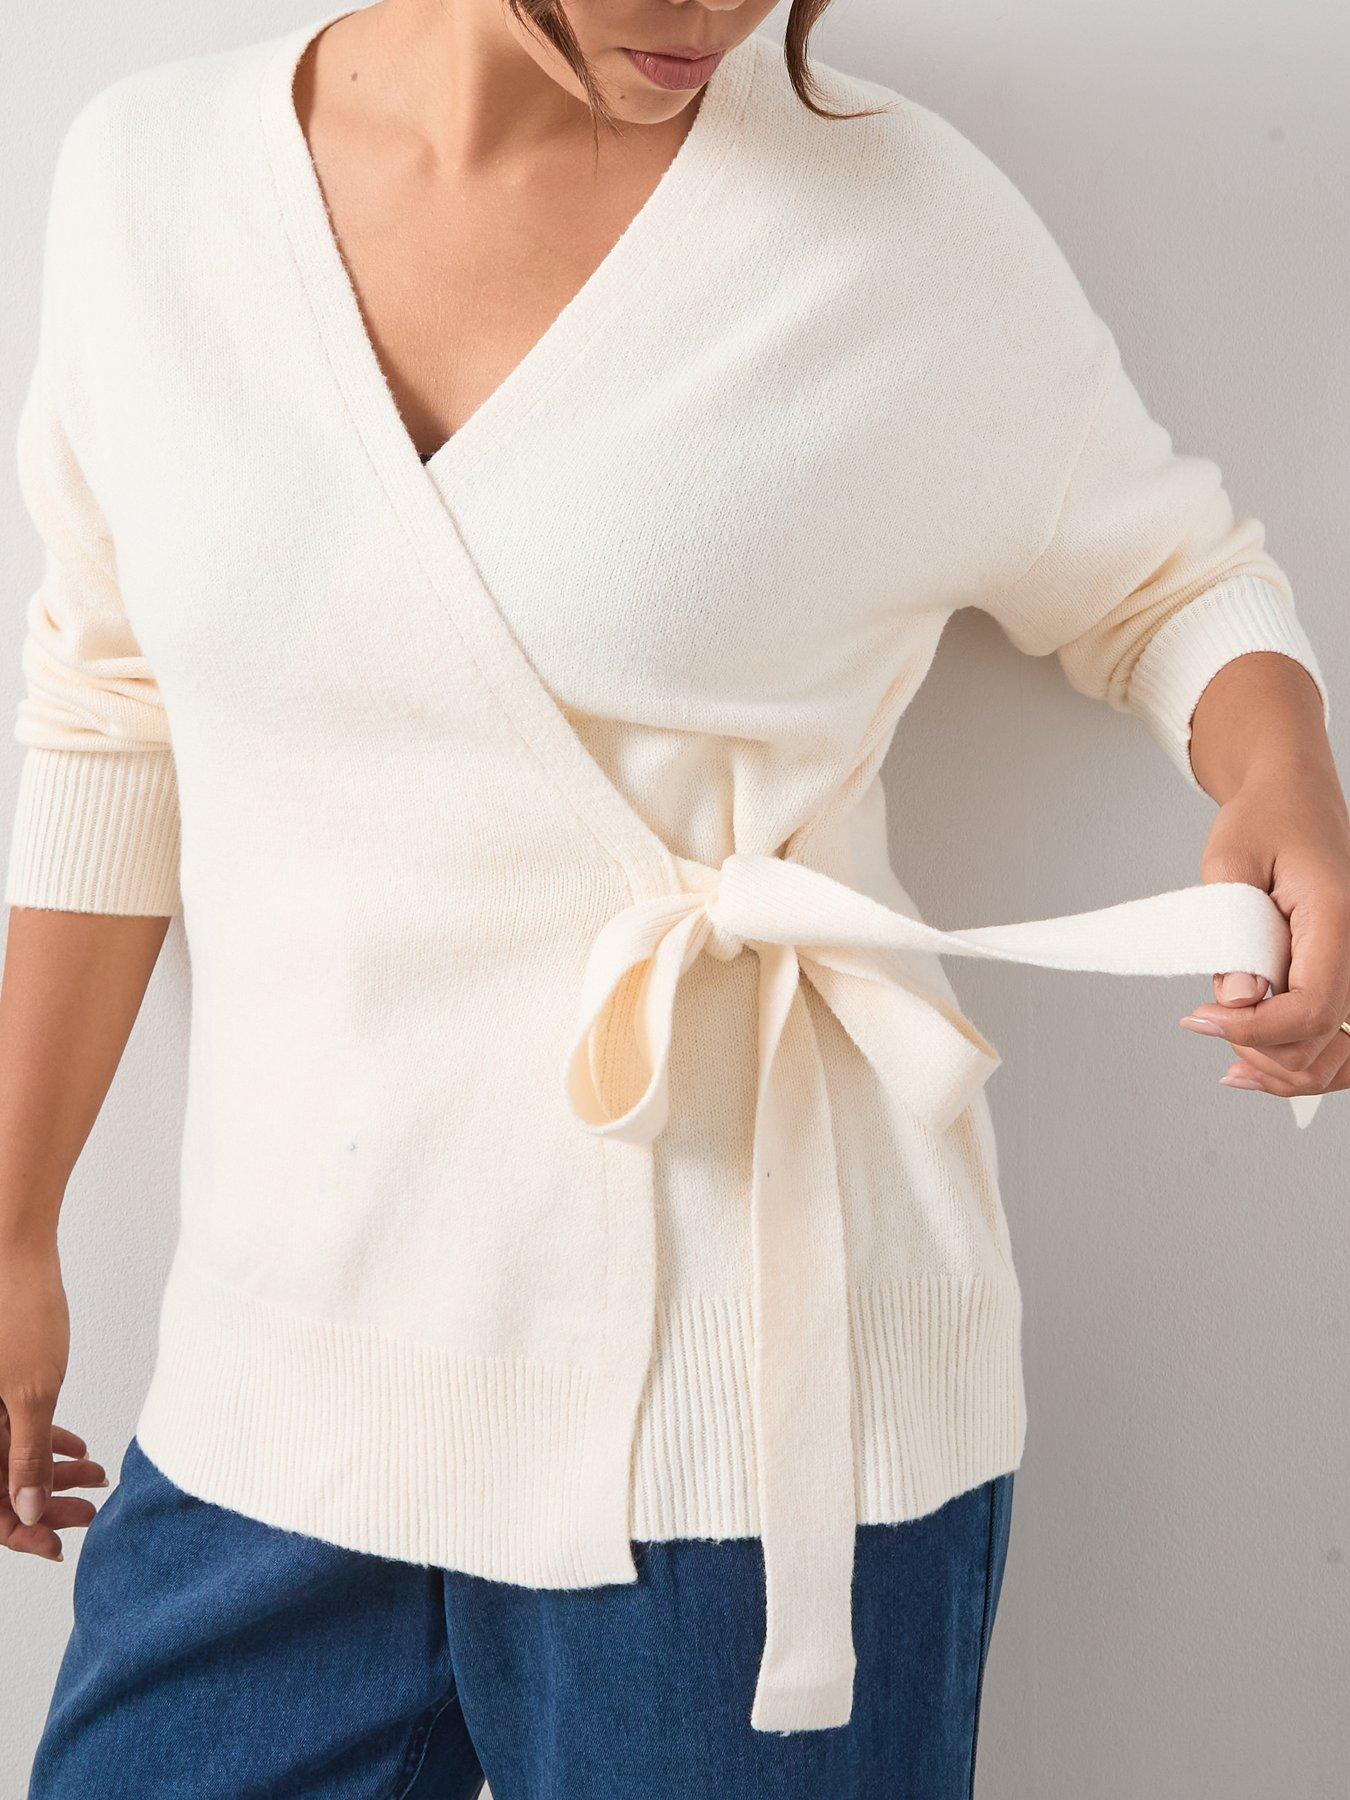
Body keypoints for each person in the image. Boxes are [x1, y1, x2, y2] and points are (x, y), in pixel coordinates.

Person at [2, 2, 1345, 1794]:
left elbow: (1170, 578)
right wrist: (15, 1223)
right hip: (286, 1378)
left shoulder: (898, 221)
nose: (717, 11)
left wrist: (1285, 783)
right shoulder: (151, 183)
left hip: (757, 1428)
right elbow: (110, 706)